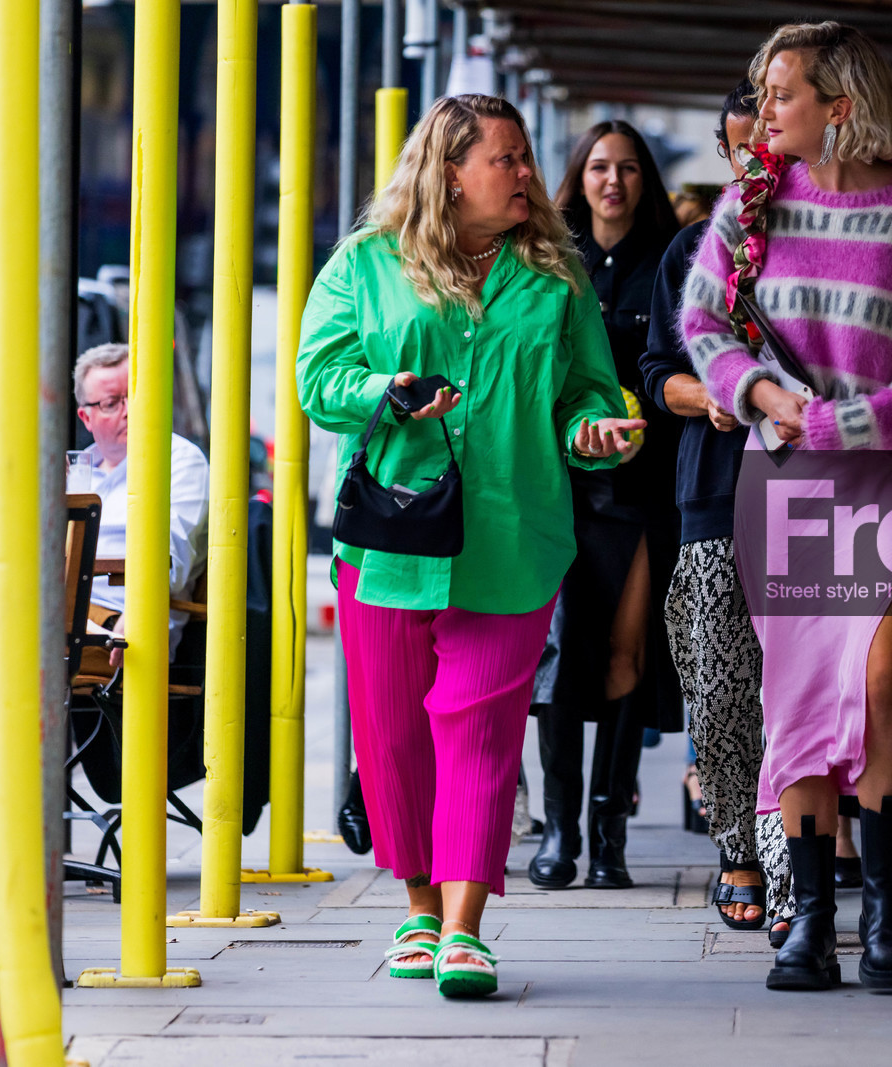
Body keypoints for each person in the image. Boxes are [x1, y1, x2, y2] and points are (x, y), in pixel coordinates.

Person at [297, 94, 639, 999]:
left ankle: (463, 926)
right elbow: (318, 381)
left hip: (514, 535)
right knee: (396, 734)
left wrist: (598, 430)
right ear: (451, 170)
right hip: (390, 537)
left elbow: (589, 393)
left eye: (525, 159)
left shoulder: (556, 279)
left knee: (482, 732)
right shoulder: (366, 266)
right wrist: (388, 388)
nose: (528, 173)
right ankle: (415, 906)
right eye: (508, 158)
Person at [682, 22, 892, 992]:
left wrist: (869, 417)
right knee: (803, 695)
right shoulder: (753, 203)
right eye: (765, 94)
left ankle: (885, 896)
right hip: (788, 477)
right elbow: (700, 323)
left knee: (890, 671)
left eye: (782, 93)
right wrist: (764, 397)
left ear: (839, 104)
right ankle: (811, 914)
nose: (763, 111)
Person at [640, 80, 796, 938]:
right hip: (714, 487)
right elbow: (655, 371)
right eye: (740, 148)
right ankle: (740, 849)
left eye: (768, 147)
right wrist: (711, 395)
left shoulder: (828, 246)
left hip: (812, 492)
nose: (754, 163)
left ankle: (795, 856)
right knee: (723, 686)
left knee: (804, 691)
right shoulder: (695, 249)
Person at [529, 120, 684, 891]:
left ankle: (607, 831)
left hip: (643, 486)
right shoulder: (550, 261)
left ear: (645, 179)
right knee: (557, 653)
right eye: (598, 166)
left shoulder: (673, 262)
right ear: (578, 177)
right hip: (562, 486)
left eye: (627, 167)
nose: (612, 180)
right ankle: (558, 829)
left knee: (628, 654)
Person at [74, 342, 210, 675]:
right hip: (58, 615)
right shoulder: (75, 470)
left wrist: (137, 609)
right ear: (85, 417)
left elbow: (169, 563)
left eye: (133, 395)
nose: (128, 410)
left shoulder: (178, 461)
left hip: (119, 627)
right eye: (111, 403)